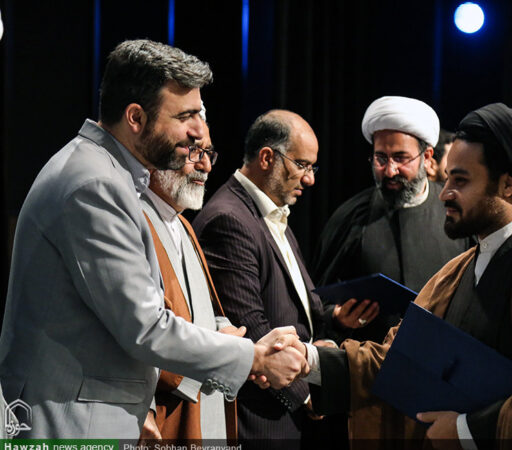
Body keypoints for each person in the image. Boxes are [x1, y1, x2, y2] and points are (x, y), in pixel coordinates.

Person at [0, 39, 305, 439]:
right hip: (70, 425)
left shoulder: (110, 176)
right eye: (186, 116)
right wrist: (254, 358)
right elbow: (145, 327)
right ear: (136, 118)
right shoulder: (96, 184)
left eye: (200, 114)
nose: (199, 131)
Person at [300, 103, 512, 448]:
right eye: (448, 177)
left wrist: (466, 430)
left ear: (508, 184)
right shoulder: (458, 270)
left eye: (461, 180)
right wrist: (307, 360)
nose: (445, 192)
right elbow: (401, 357)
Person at [193, 110, 360, 448]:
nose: (309, 179)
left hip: (283, 414)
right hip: (258, 420)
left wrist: (332, 321)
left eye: (312, 168)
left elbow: (291, 306)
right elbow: (249, 327)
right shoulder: (229, 219)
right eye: (302, 165)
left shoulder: (270, 213)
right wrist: (308, 394)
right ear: (267, 157)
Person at [311, 96, 471, 343]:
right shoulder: (351, 216)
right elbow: (317, 301)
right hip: (369, 360)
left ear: (427, 157)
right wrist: (338, 317)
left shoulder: (456, 212)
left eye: (400, 158)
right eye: (381, 158)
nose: (389, 170)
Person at [137, 121, 242, 441]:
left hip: (206, 406)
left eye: (209, 153)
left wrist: (225, 329)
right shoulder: (133, 219)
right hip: (166, 414)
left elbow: (204, 310)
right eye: (194, 151)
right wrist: (224, 350)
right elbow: (138, 331)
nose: (206, 165)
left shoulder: (183, 225)